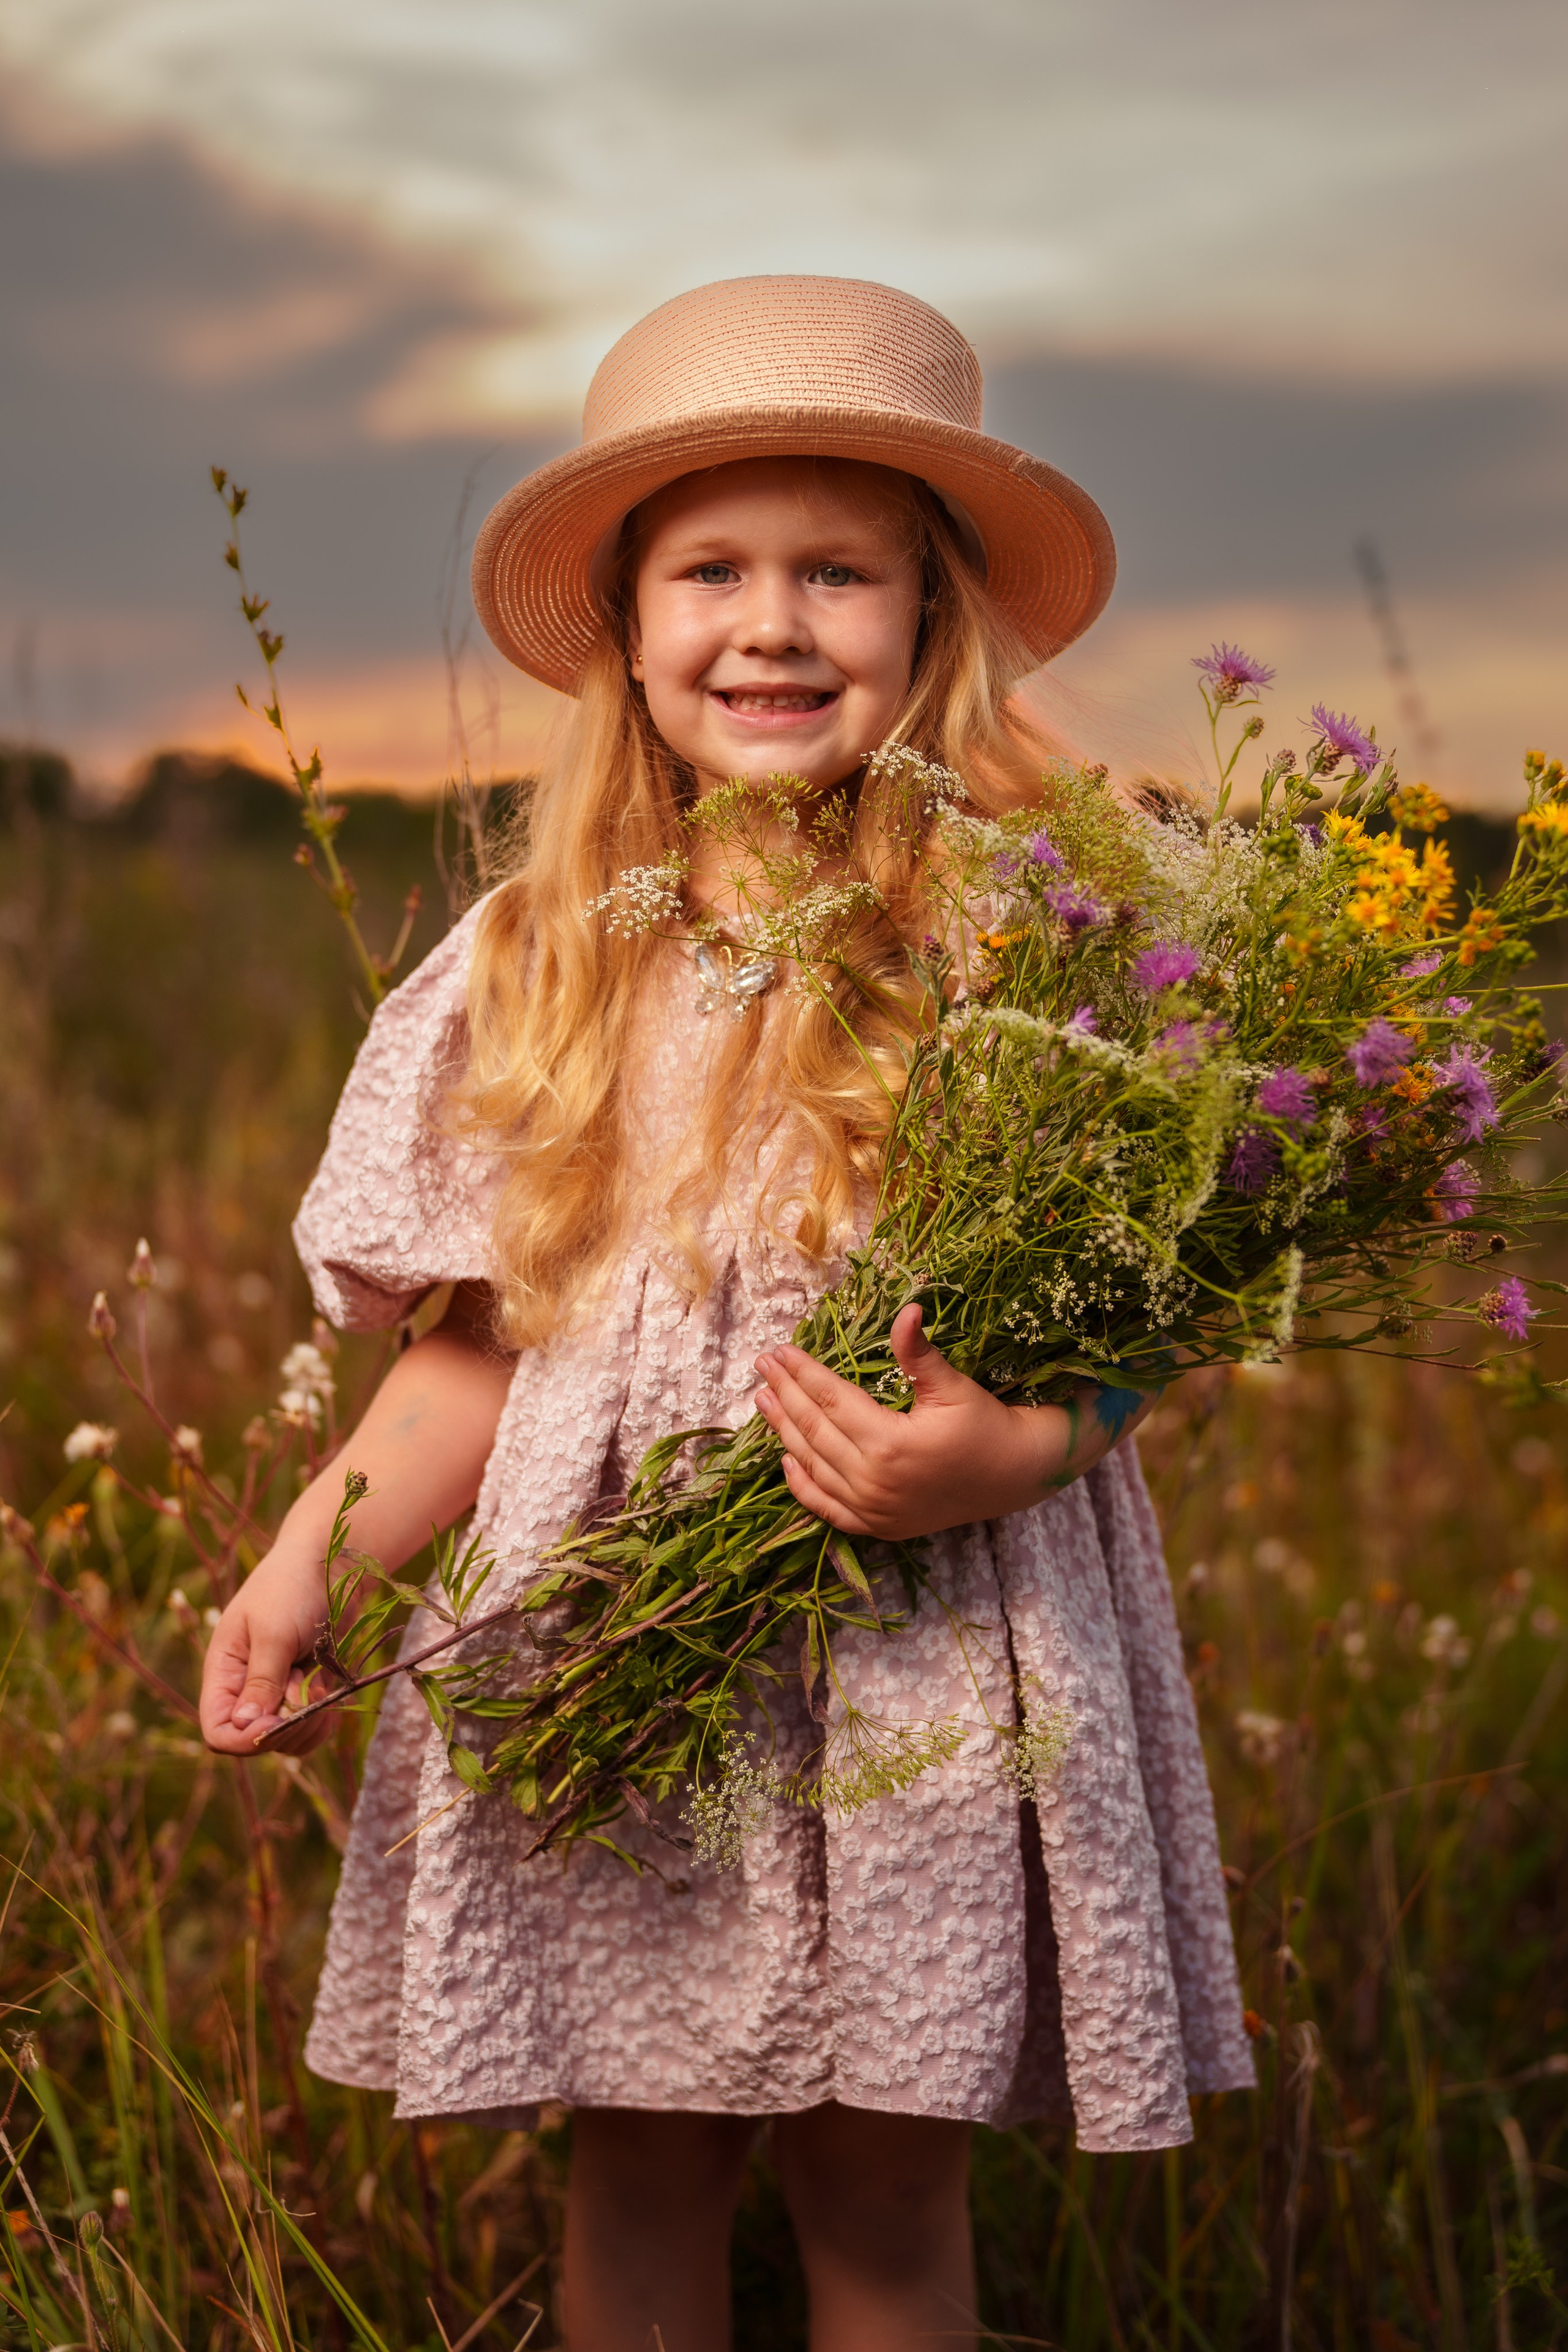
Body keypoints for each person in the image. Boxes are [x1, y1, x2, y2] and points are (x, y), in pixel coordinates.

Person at [199, 276, 1253, 2352]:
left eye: (838, 571)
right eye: (712, 571)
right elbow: (482, 1344)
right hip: (621, 1619)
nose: (770, 625)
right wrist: (307, 1562)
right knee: (643, 2145)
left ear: (932, 621)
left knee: (884, 2167)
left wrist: (1023, 1445)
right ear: (626, 623)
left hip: (931, 1638)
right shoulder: (535, 956)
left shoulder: (1029, 927)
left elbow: (1165, 1299)